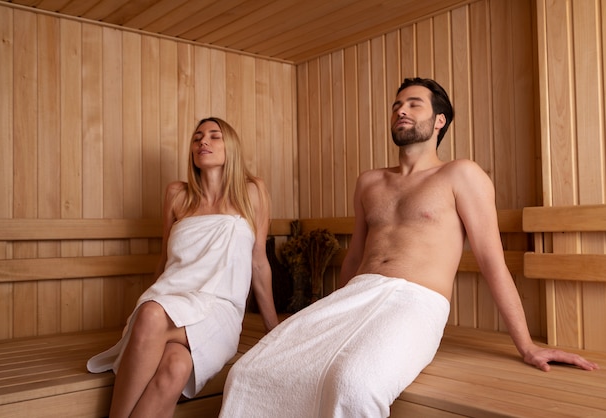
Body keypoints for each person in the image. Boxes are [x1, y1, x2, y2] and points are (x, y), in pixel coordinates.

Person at [218, 78, 599, 418]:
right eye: (397, 105)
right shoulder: (369, 182)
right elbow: (355, 256)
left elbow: (492, 262)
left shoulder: (461, 174)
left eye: (414, 103)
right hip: (355, 296)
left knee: (355, 384)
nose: (401, 109)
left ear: (439, 121)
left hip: (415, 301)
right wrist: (329, 314)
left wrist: (527, 345)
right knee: (252, 370)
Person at [87, 117, 279, 418]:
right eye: (197, 138)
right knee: (175, 366)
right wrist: (143, 314)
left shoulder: (252, 191)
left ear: (231, 147)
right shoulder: (177, 194)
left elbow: (258, 262)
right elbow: (165, 261)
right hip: (170, 298)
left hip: (218, 308)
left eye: (214, 136)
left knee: (152, 315)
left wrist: (274, 331)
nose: (203, 141)